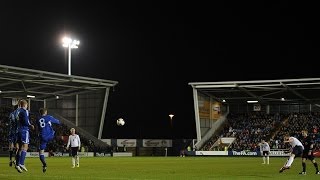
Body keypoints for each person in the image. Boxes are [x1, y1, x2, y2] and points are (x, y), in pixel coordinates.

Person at [37, 107, 61, 173]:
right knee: (53, 130)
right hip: (50, 135)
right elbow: (58, 122)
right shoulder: (49, 117)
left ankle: (44, 165)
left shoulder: (37, 118)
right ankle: (52, 150)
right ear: (45, 112)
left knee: (41, 152)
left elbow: (38, 127)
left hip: (42, 137)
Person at [16, 99, 34, 173]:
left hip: (18, 130)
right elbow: (26, 121)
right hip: (24, 130)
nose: (27, 106)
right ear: (25, 105)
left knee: (20, 148)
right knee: (25, 147)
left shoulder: (17, 111)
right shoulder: (24, 111)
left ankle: (17, 164)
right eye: (27, 105)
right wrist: (31, 125)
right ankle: (22, 163)